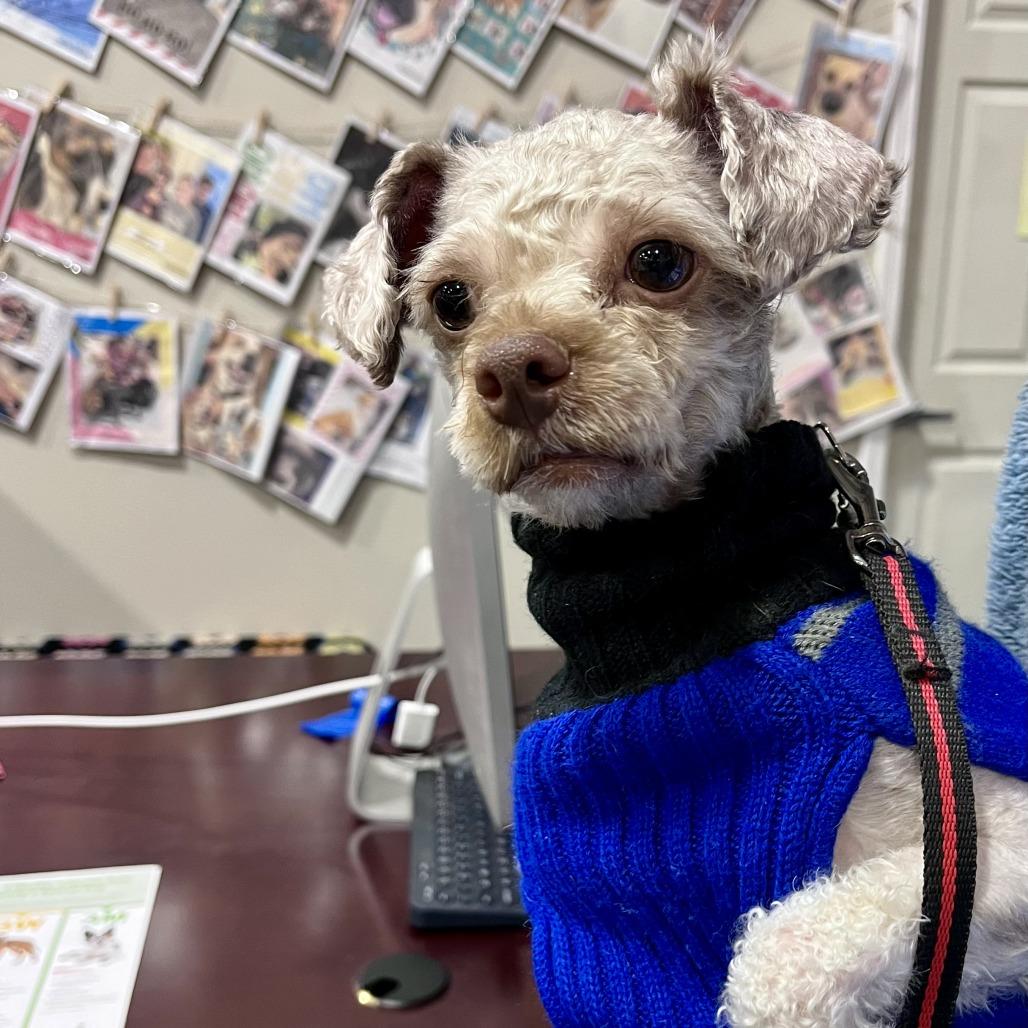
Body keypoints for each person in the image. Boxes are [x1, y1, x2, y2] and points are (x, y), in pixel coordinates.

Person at [193, 175, 216, 241]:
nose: (204, 192)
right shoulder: (189, 202)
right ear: (198, 188)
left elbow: (204, 235)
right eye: (203, 188)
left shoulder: (208, 213)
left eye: (207, 190)